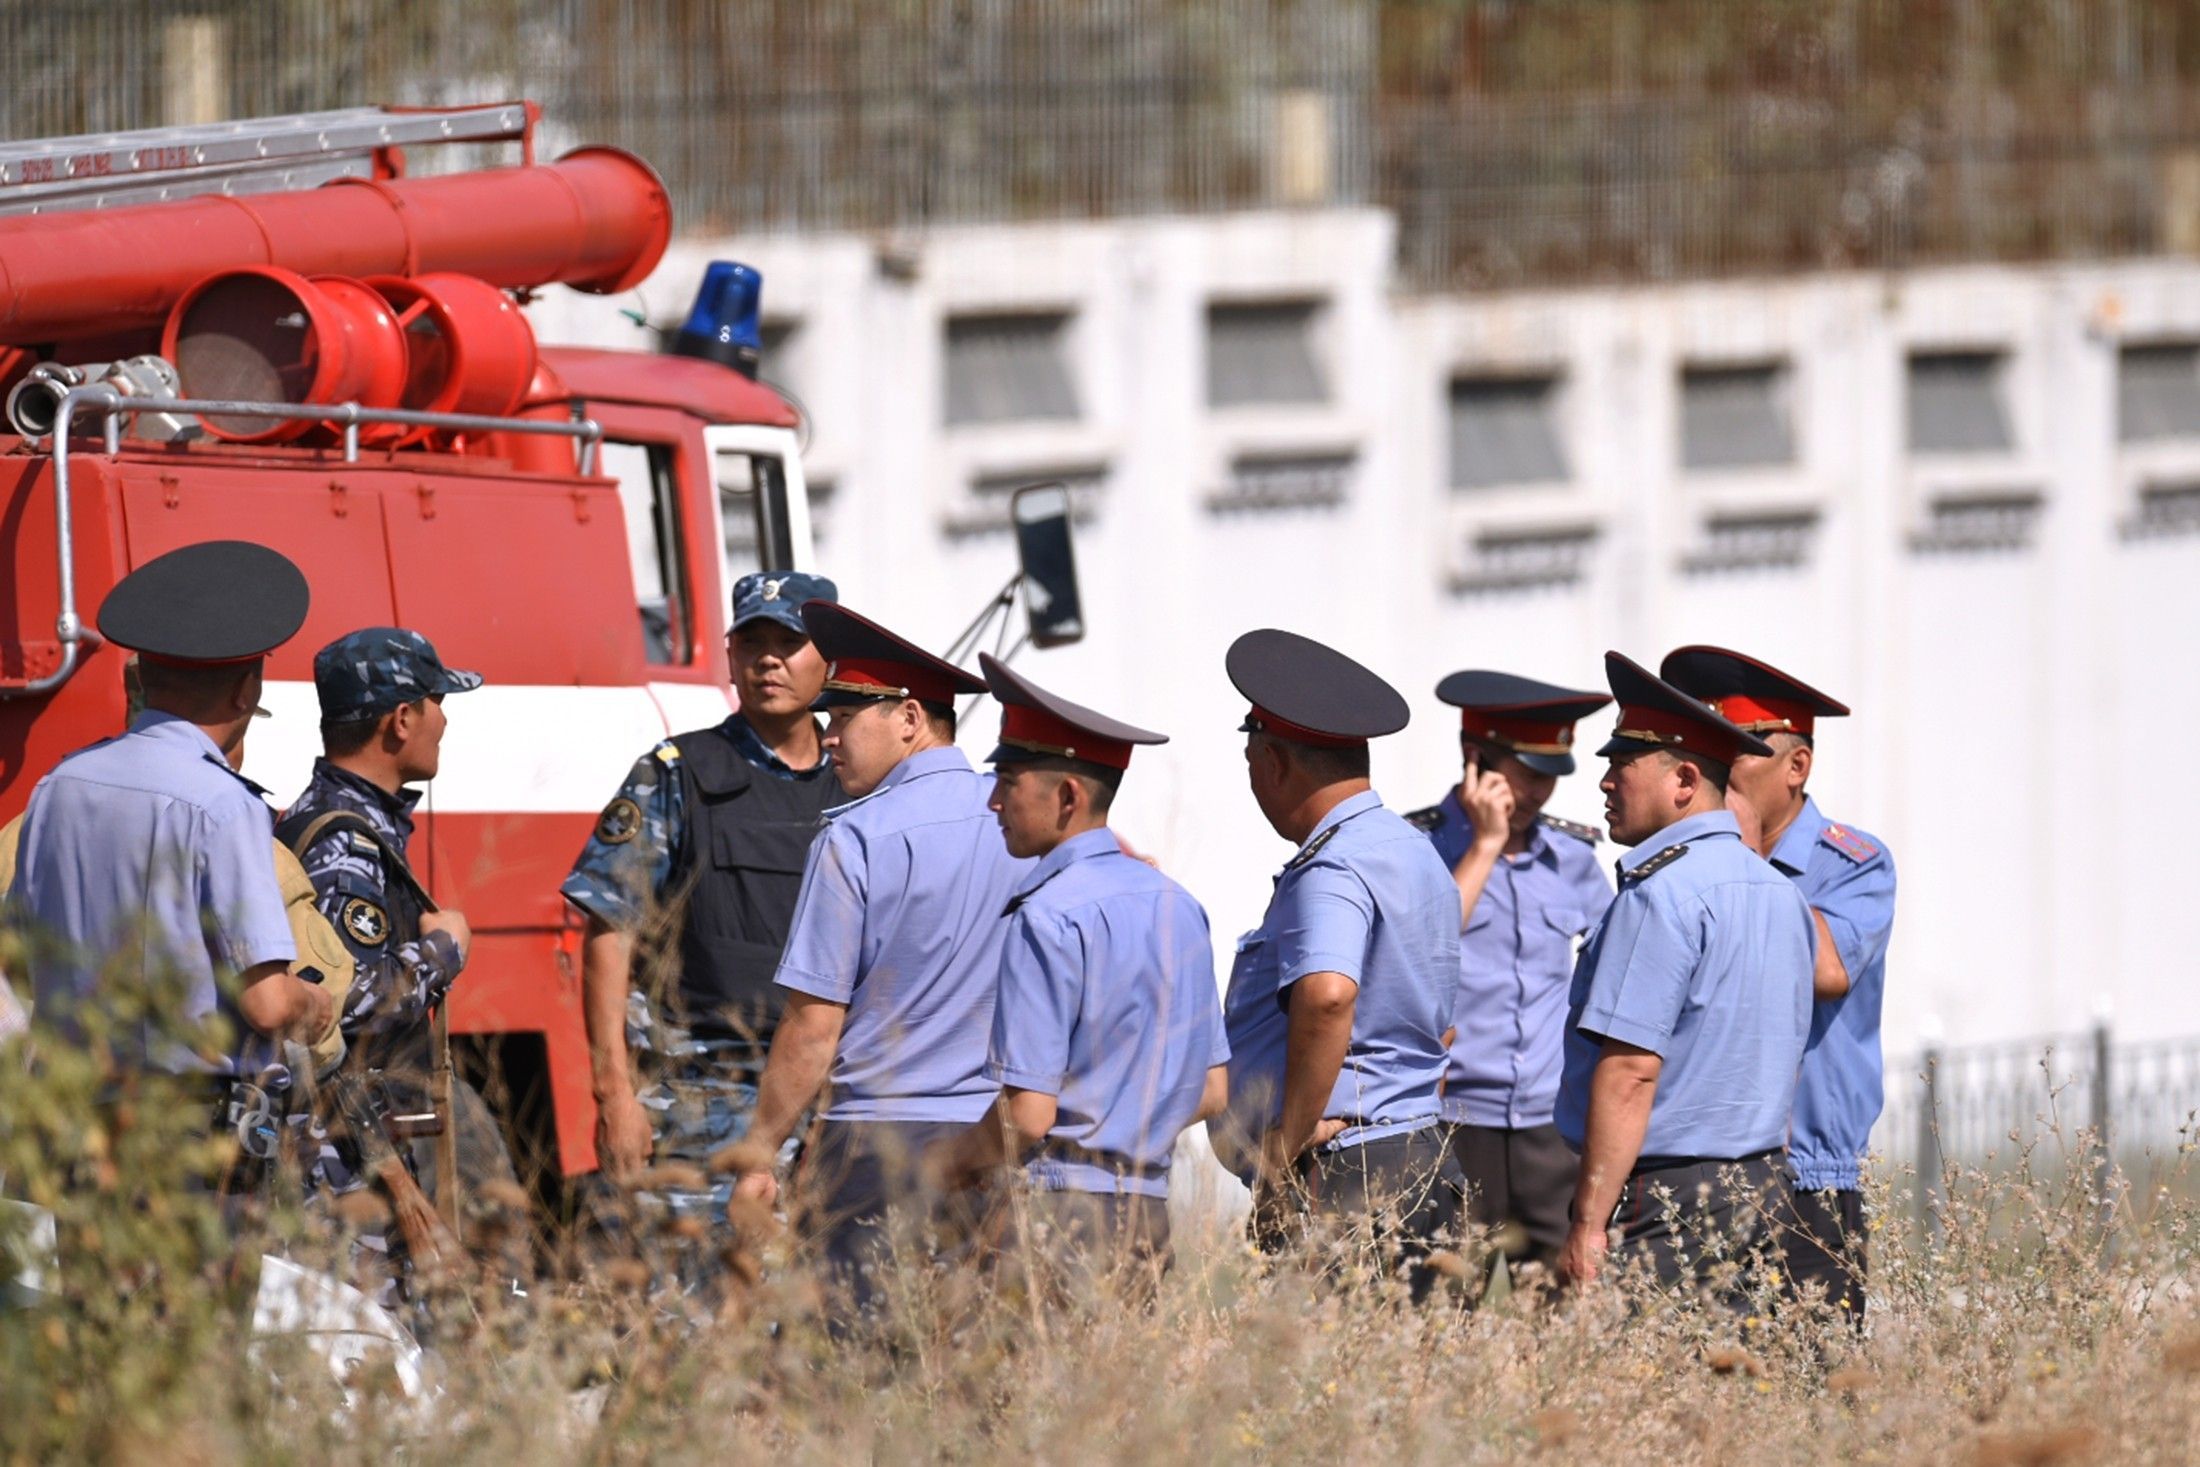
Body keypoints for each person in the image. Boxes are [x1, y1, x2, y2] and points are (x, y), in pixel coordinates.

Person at [729, 601, 1029, 1321]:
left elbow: (812, 1027)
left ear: (908, 719)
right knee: (974, 1370)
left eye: (842, 719)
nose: (826, 738)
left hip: (876, 1150)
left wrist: (759, 1151)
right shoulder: (1023, 825)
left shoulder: (855, 838)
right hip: (997, 1136)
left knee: (857, 1377)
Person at [7, 540, 331, 1184]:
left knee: (95, 1289)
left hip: (78, 1124)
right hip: (190, 1136)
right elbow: (266, 1003)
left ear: (142, 679)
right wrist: (313, 1007)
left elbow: (17, 959)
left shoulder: (58, 787)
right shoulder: (222, 803)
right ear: (246, 690)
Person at [562, 571, 842, 1259]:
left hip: (831, 1111)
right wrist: (616, 1095)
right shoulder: (677, 772)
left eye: (789, 641)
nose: (768, 659)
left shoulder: (859, 785)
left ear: (829, 659)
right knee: (689, 1328)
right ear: (729, 655)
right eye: (752, 642)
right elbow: (608, 931)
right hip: (699, 1101)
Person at [931, 653, 1228, 1291]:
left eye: (1008, 781)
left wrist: (947, 1165)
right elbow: (1212, 1091)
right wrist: (1124, 1136)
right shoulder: (1179, 904)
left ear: (1067, 796)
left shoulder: (1047, 915)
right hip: (1147, 1213)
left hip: (1056, 1215)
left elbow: (1029, 1117)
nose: (992, 800)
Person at [1554, 652, 1815, 1306]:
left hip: (1672, 1199)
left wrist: (1588, 1222)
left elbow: (1630, 1071)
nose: (1605, 784)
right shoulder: (1779, 892)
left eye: (1622, 766)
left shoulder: (1659, 895)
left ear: (1685, 780)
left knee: (1641, 1394)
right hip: (1761, 1184)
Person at [1212, 629, 1462, 1298]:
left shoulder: (1335, 863)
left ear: (1274, 760)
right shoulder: (1414, 851)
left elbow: (1326, 995)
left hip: (1349, 1173)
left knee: (1330, 1390)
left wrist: (1281, 1148)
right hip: (1421, 1154)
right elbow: (1440, 1026)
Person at [1661, 644, 1896, 1322]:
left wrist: (1743, 862)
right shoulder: (1691, 861)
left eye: (1740, 744)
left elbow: (1827, 970)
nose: (1718, 760)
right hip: (1702, 1167)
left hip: (1809, 1177)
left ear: (1797, 765)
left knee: (1816, 1382)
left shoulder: (1852, 861)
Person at [275, 626, 519, 1279]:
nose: (444, 721)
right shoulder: (344, 844)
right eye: (438, 701)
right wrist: (443, 950)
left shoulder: (333, 819)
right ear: (403, 718)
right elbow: (340, 1004)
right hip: (355, 1156)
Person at [1404, 671, 1612, 1279]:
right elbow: (1423, 947)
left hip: (1549, 1127)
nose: (1542, 793)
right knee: (1444, 1316)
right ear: (1477, 760)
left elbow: (1610, 967)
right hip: (1454, 1122)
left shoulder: (1572, 858)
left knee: (1559, 1317)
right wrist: (1487, 844)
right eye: (1529, 773)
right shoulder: (1422, 847)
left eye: (1551, 775)